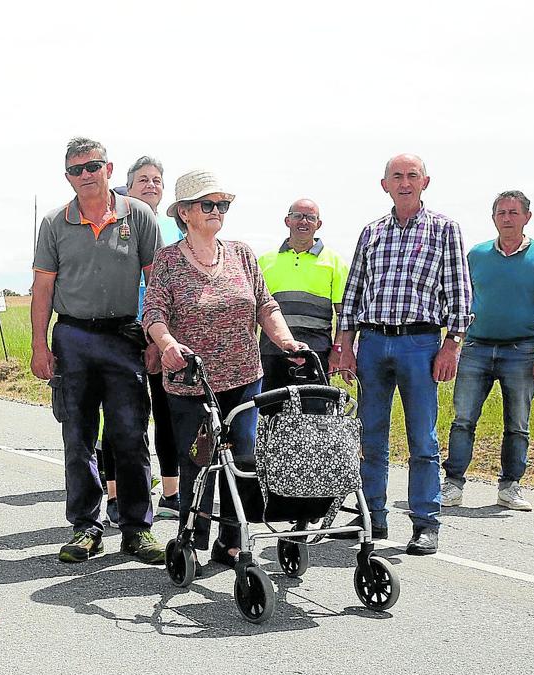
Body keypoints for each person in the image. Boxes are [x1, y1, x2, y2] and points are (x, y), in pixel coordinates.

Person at [143, 170, 307, 570]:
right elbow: (154, 312)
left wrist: (285, 341)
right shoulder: (168, 259)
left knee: (244, 459)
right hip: (191, 380)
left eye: (223, 204)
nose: (217, 211)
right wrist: (167, 344)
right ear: (184, 212)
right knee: (198, 463)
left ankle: (231, 541)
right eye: (208, 204)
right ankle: (191, 540)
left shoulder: (241, 253)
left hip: (244, 377)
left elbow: (265, 305)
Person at [31, 137, 164, 565]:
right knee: (78, 436)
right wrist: (38, 345)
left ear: (109, 169)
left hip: (125, 336)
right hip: (72, 339)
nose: (86, 175)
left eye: (93, 166)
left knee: (130, 434)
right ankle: (85, 527)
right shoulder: (54, 222)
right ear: (67, 176)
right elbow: (43, 288)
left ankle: (137, 529)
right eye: (76, 170)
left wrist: (157, 340)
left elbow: (157, 284)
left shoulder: (138, 215)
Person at [331, 154, 471, 556]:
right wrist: (346, 345)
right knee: (370, 435)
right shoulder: (371, 232)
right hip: (373, 342)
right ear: (384, 185)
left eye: (412, 176)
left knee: (422, 438)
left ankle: (426, 522)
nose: (405, 182)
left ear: (425, 181)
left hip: (421, 344)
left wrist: (452, 343)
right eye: (397, 176)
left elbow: (459, 293)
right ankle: (370, 516)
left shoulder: (445, 230)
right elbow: (353, 291)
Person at [441, 190, 534, 512]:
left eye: (513, 212)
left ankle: (510, 487)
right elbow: (459, 300)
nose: (507, 218)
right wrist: (453, 344)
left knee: (517, 424)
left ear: (527, 217)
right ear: (493, 217)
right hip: (476, 348)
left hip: (520, 350)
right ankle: (453, 484)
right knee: (463, 420)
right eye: (501, 213)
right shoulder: (477, 255)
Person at [100, 157, 182, 526]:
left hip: (164, 333)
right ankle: (117, 496)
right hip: (123, 332)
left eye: (157, 180)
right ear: (127, 188)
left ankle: (171, 493)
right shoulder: (116, 221)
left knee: (167, 414)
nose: (151, 185)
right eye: (143, 180)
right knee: (121, 420)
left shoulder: (173, 227)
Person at [257, 199, 349, 390]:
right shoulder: (264, 261)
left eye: (310, 217)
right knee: (269, 414)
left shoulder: (335, 262)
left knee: (312, 415)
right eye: (297, 216)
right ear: (287, 221)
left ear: (319, 224)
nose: (303, 222)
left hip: (315, 353)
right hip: (271, 353)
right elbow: (254, 311)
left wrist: (337, 350)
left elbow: (344, 313)